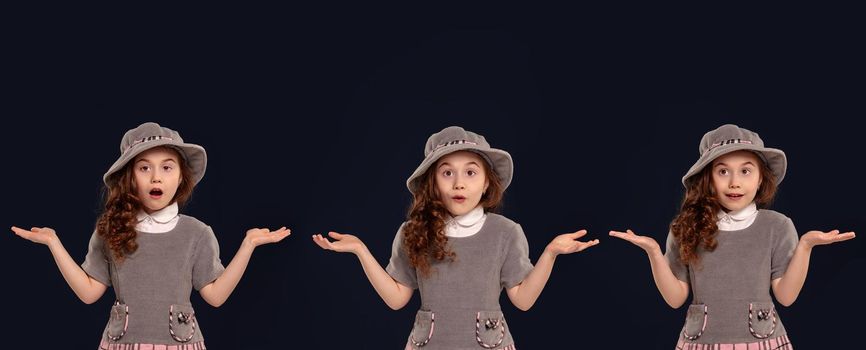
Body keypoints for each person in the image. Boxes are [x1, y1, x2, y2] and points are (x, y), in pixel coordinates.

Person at [313, 125, 599, 349]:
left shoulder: (506, 232)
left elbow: (523, 300)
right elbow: (397, 299)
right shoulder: (412, 231)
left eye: (471, 172)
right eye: (447, 172)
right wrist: (361, 251)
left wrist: (550, 253)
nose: (459, 183)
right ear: (433, 183)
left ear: (487, 182)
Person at [11, 122, 291, 349]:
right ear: (130, 177)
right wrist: (53, 243)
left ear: (181, 176)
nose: (156, 177)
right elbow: (88, 293)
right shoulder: (109, 229)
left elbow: (216, 296)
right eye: (144, 168)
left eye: (167, 167)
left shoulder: (197, 233)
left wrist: (248, 245)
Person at [610, 124, 856, 349]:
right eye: (723, 171)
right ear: (708, 179)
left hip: (763, 342)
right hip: (701, 344)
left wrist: (806, 246)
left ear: (761, 179)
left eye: (746, 171)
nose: (735, 182)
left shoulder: (777, 226)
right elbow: (676, 299)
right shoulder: (685, 227)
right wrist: (654, 253)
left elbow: (786, 296)